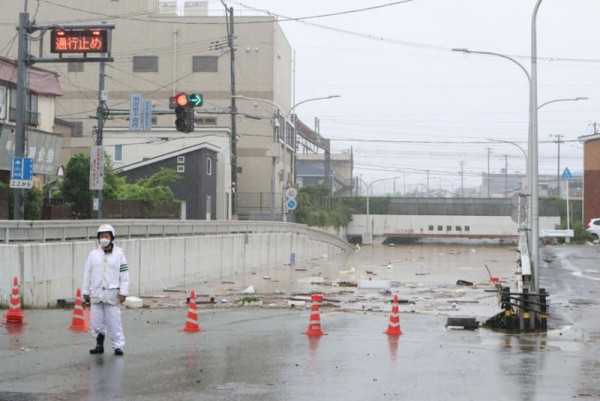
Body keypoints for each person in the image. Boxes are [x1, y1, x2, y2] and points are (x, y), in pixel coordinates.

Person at [82, 224, 129, 356]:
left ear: (111, 237)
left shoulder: (119, 254)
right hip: (96, 294)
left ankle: (118, 346)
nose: (104, 238)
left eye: (106, 236)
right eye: (101, 236)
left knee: (114, 322)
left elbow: (124, 274)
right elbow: (87, 273)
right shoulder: (93, 255)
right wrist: (86, 291)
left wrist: (123, 292)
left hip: (112, 295)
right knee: (96, 322)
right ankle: (99, 344)